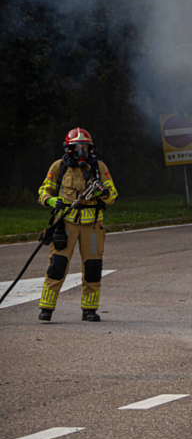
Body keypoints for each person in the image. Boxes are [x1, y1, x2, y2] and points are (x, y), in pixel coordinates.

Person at [37, 128, 118, 322]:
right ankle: (46, 308)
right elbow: (43, 190)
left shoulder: (99, 166)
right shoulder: (59, 166)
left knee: (92, 266)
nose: (82, 152)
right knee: (57, 264)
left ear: (91, 148)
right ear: (68, 149)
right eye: (77, 147)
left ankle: (89, 310)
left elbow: (113, 194)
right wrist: (49, 200)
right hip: (65, 225)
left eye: (85, 147)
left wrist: (103, 193)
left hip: (92, 227)